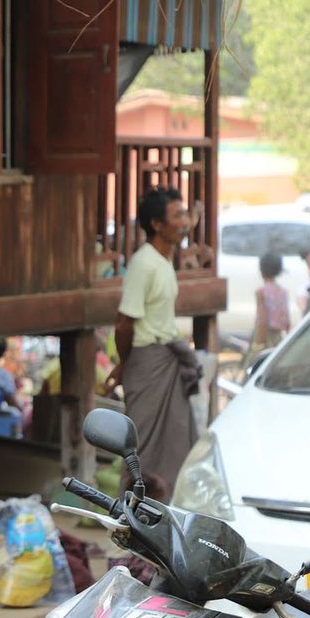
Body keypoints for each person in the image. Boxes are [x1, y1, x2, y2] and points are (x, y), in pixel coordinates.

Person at [106, 187, 200, 497]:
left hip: (165, 358)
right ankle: (128, 524)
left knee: (176, 441)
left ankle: (163, 518)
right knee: (140, 446)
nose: (184, 222)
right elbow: (124, 323)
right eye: (177, 216)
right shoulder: (143, 264)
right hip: (148, 362)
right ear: (157, 224)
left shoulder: (163, 261)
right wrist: (126, 363)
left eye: (185, 214)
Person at [249, 251, 290, 360]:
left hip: (264, 335)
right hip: (277, 337)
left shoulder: (261, 292)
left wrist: (258, 345)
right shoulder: (283, 292)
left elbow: (263, 320)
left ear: (261, 270)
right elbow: (286, 319)